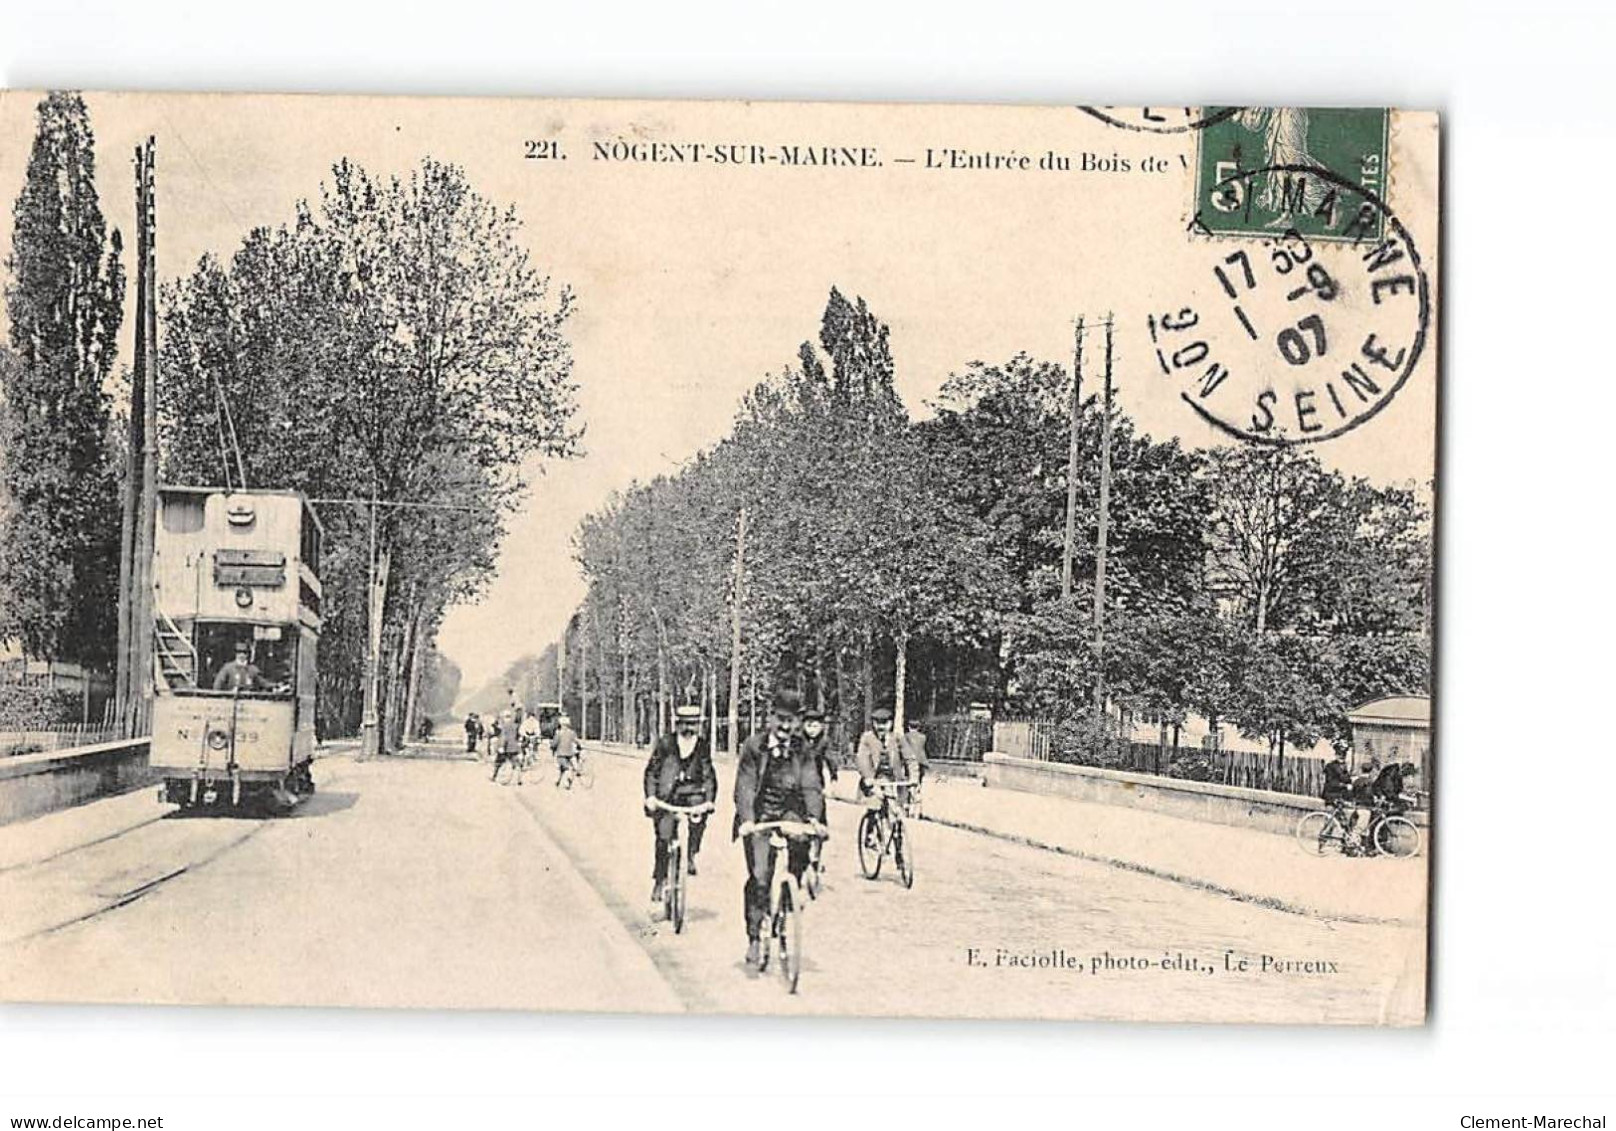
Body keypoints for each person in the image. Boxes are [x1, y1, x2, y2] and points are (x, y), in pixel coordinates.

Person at [734, 691, 824, 968]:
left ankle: (789, 901)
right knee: (760, 876)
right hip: (760, 814)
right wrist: (747, 820)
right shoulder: (753, 746)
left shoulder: (802, 749)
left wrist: (814, 818)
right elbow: (745, 786)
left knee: (800, 848)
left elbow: (811, 784)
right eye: (781, 720)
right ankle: (754, 937)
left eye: (792, 721)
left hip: (789, 811)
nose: (786, 727)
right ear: (771, 717)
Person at [643, 705, 718, 906]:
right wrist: (650, 796)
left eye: (693, 724)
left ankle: (692, 852)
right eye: (685, 723)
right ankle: (659, 880)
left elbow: (709, 774)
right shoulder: (666, 743)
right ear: (678, 724)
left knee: (699, 819)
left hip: (692, 794)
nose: (689, 728)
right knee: (663, 838)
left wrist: (710, 800)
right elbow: (652, 771)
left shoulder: (702, 745)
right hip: (667, 797)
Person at [856, 707, 916, 807]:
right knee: (875, 806)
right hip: (873, 782)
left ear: (891, 723)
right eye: (877, 723)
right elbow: (862, 759)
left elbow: (910, 758)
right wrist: (868, 777)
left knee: (897, 813)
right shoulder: (867, 738)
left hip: (894, 782)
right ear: (873, 723)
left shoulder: (898, 738)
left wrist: (914, 777)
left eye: (884, 723)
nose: (881, 727)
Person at [491, 707, 521, 784]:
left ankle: (494, 777)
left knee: (498, 763)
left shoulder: (504, 726)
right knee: (516, 764)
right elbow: (517, 736)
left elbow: (503, 737)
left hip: (506, 747)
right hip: (514, 747)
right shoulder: (515, 726)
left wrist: (501, 746)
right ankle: (518, 780)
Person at [551, 713, 581, 788]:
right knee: (563, 769)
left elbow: (554, 743)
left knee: (565, 768)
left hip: (561, 754)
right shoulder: (572, 732)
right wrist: (579, 746)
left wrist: (552, 747)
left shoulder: (559, 733)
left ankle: (568, 781)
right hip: (570, 753)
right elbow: (576, 741)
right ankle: (558, 781)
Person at [517, 709, 543, 784]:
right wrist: (525, 735)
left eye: (532, 717)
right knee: (524, 750)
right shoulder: (525, 722)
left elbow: (538, 731)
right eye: (530, 717)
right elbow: (521, 730)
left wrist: (536, 736)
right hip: (526, 737)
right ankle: (524, 762)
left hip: (532, 737)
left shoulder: (535, 723)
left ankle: (531, 759)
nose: (531, 718)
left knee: (533, 749)